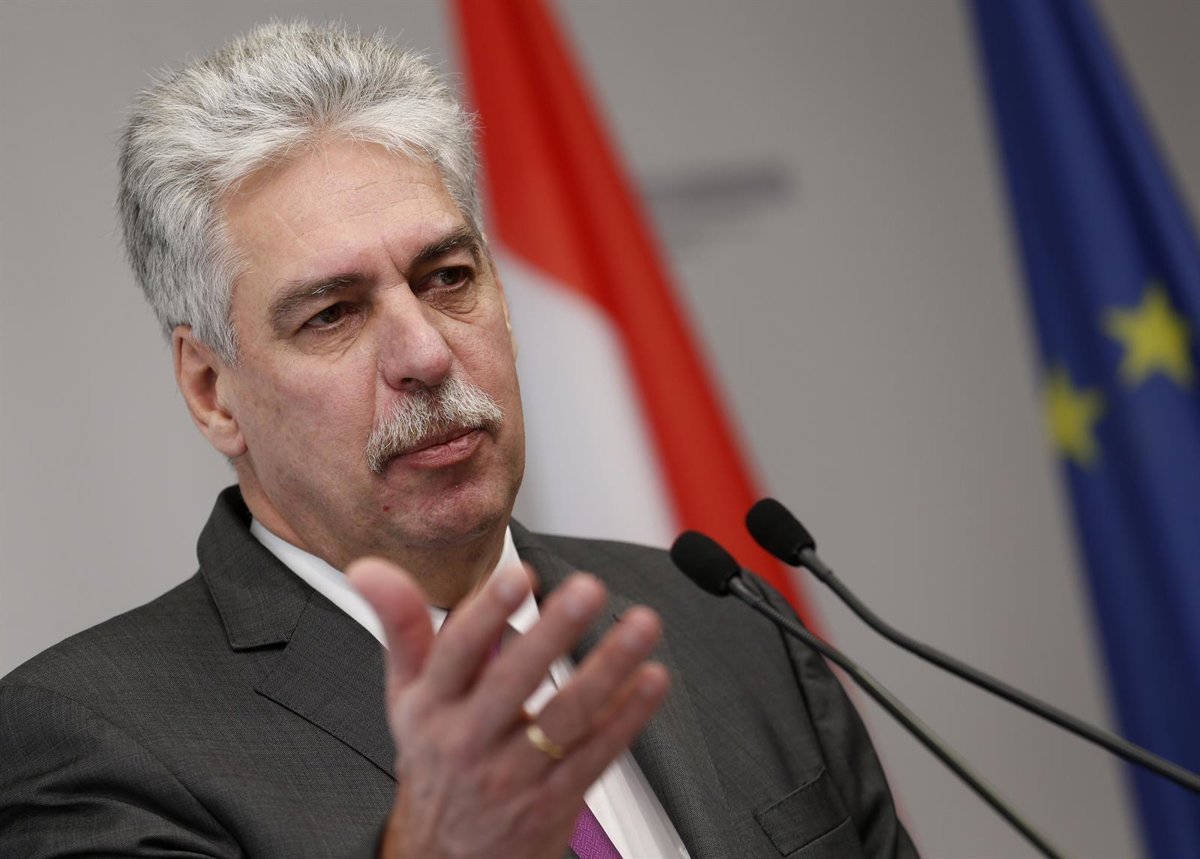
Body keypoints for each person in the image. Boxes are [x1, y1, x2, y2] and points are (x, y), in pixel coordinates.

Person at [0, 21, 916, 859]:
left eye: (446, 277)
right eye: (332, 314)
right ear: (212, 391)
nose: (426, 354)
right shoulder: (94, 739)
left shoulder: (727, 624)